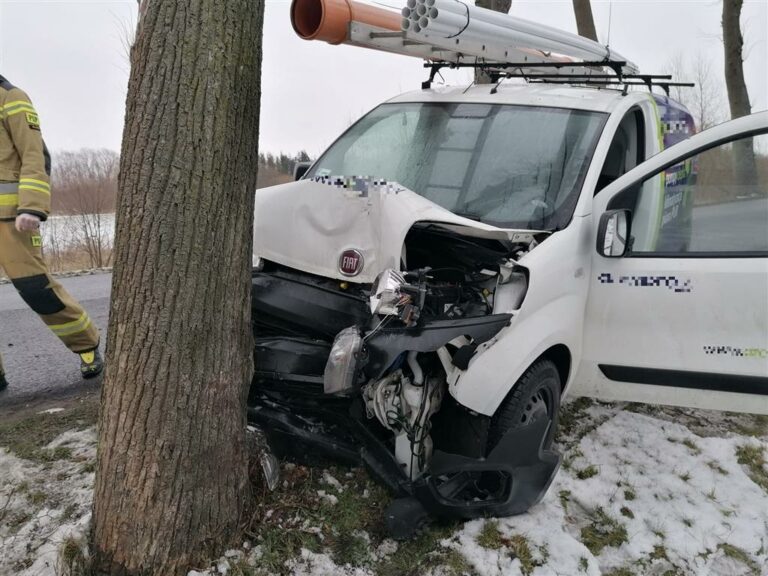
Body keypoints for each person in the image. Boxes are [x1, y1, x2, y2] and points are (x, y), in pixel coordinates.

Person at [0, 74, 103, 391]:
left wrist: (31, 206)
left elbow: (35, 154)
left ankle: (86, 345)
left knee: (37, 291)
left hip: (10, 220)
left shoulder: (10, 97)